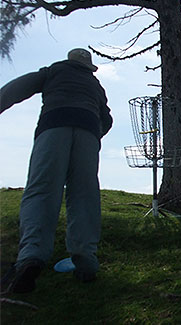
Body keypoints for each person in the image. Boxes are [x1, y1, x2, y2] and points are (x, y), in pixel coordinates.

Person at [0, 48, 113, 293]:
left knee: (42, 191)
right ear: (89, 67)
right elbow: (108, 119)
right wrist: (94, 134)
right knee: (84, 195)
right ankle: (86, 263)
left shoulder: (54, 71)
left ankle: (31, 256)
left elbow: (17, 88)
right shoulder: (95, 85)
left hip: (53, 128)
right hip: (88, 132)